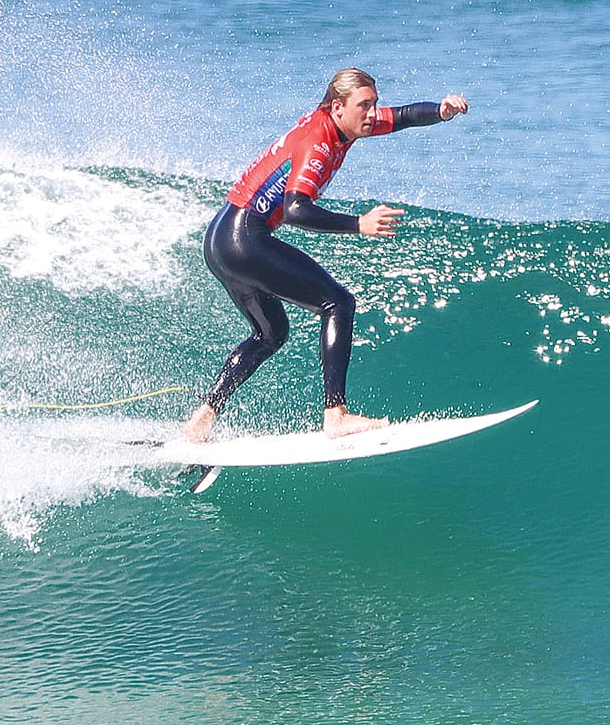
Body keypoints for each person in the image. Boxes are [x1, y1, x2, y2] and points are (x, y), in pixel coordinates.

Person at [182, 69, 469, 444]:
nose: (373, 112)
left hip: (221, 240)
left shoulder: (343, 124)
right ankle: (336, 415)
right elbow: (297, 209)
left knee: (270, 334)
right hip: (244, 239)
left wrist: (441, 111)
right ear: (338, 107)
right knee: (338, 303)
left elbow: (403, 117)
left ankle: (202, 419)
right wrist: (358, 224)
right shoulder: (317, 141)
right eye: (364, 105)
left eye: (374, 103)